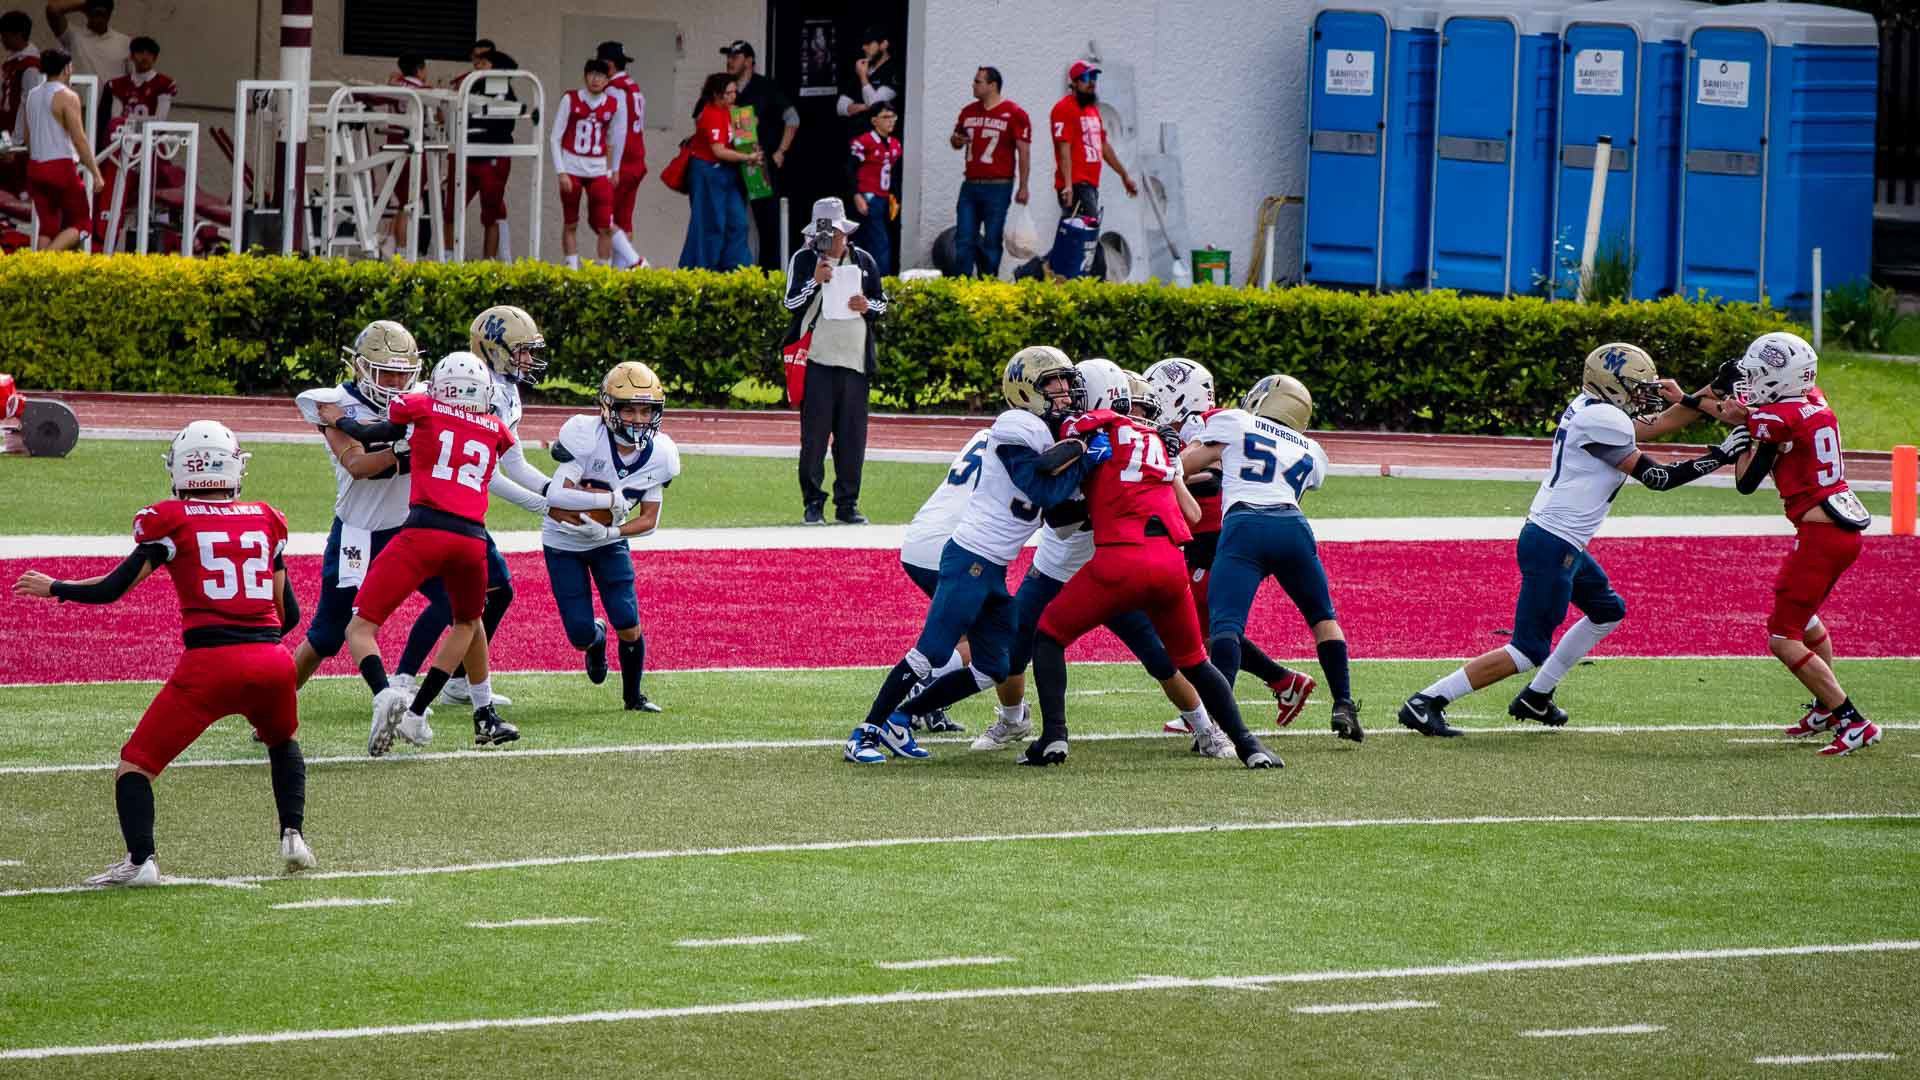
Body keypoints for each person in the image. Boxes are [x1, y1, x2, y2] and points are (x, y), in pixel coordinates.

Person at [12, 420, 312, 886]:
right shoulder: (266, 518)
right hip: (273, 660)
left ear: (182, 470)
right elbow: (287, 613)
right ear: (232, 467)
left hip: (210, 665)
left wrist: (57, 588)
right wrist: (258, 643)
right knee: (283, 743)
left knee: (135, 764)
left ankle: (141, 861)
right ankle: (293, 837)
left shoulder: (171, 518)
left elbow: (113, 589)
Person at [1395, 344, 1750, 737]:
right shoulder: (1604, 419)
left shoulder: (1592, 406)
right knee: (1527, 649)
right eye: (1636, 387)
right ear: (1612, 385)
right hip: (1554, 543)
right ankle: (1426, 701)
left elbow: (1659, 424)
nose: (1643, 395)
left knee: (1607, 610)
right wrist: (1720, 456)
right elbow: (1658, 478)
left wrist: (1711, 390)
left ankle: (1536, 697)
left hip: (1557, 537)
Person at [892, 359, 1234, 757]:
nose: (1134, 414)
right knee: (1014, 648)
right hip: (1059, 561)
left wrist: (1167, 465)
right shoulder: (1067, 434)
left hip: (1108, 563)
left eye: (1137, 407)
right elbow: (1057, 513)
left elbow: (1178, 497)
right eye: (1128, 405)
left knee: (1156, 653)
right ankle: (1012, 719)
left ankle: (1207, 728)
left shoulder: (1129, 439)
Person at [845, 347, 1099, 765]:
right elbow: (1042, 489)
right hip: (969, 558)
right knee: (931, 651)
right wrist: (1085, 456)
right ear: (1025, 390)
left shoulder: (1053, 436)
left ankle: (900, 719)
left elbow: (1061, 515)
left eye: (1066, 382)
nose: (1064, 391)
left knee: (995, 665)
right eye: (1053, 383)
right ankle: (865, 732)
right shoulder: (1016, 424)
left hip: (993, 569)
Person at [1028, 375, 1278, 770]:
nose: (1068, 401)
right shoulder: (1159, 440)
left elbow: (1048, 467)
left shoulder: (1091, 427)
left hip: (1120, 559)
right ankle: (1249, 745)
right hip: (1171, 563)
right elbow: (1188, 513)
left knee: (1048, 635)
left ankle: (1053, 737)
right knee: (1195, 661)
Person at [327, 353, 517, 755]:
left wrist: (337, 420)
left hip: (424, 530)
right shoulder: (497, 428)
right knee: (467, 624)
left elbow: (374, 432)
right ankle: (426, 713)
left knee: (360, 628)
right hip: (472, 540)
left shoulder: (422, 405)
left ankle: (385, 694)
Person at [1179, 374, 1361, 742]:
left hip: (1244, 525)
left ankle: (1217, 722)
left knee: (1225, 626)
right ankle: (1343, 703)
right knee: (1323, 618)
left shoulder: (1236, 421)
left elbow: (1182, 466)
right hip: (1293, 527)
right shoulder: (1313, 450)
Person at [1145, 357, 1318, 734]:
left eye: (1160, 395)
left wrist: (1167, 480)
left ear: (1182, 396)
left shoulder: (1214, 422)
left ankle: (1217, 710)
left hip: (1221, 535)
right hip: (1204, 536)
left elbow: (1213, 478)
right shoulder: (1196, 425)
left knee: (1197, 627)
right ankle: (1282, 682)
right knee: (1205, 629)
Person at [1728, 331, 1880, 756]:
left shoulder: (1778, 418)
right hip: (1838, 532)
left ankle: (1853, 720)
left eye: (1758, 374)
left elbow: (1747, 447)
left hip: (1821, 536)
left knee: (1782, 637)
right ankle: (1825, 709)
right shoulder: (1813, 398)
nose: (1751, 382)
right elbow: (1765, 416)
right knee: (1806, 619)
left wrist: (1726, 417)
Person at [294, 321, 454, 709]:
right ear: (361, 367)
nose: (396, 383)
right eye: (386, 373)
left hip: (411, 528)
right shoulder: (333, 403)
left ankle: (472, 702)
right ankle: (272, 706)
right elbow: (358, 466)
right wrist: (406, 450)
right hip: (359, 531)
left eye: (403, 374)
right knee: (327, 635)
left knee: (460, 604)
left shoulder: (424, 398)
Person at [542, 361, 682, 712]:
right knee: (579, 634)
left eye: (646, 411)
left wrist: (610, 530)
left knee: (628, 621)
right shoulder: (586, 437)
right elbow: (556, 496)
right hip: (564, 541)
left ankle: (634, 697)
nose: (638, 419)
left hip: (609, 543)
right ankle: (596, 638)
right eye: (629, 410)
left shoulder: (661, 454)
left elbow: (649, 520)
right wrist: (606, 501)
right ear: (608, 408)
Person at [782, 196, 887, 525]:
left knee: (852, 438)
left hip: (855, 361)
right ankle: (813, 502)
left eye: (834, 234)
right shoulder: (804, 259)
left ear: (845, 233)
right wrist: (814, 281)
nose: (828, 240)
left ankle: (847, 504)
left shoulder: (864, 260)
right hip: (817, 361)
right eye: (822, 234)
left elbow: (882, 303)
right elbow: (790, 303)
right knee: (813, 439)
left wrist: (866, 305)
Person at [898, 423, 991, 732]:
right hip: (950, 547)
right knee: (994, 638)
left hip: (920, 538)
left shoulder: (986, 434)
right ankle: (922, 686)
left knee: (960, 632)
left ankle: (930, 706)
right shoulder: (1026, 442)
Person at [1046, 60, 1137, 279]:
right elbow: (1064, 148)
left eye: (1094, 78)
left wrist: (1124, 175)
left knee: (1074, 240)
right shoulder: (1064, 109)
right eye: (1087, 78)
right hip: (1076, 185)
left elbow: (1103, 146)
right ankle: (1097, 281)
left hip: (1090, 185)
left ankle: (1039, 272)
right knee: (1087, 240)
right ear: (1075, 82)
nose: (1092, 83)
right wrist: (1068, 185)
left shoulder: (1092, 111)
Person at [725, 40, 799, 271]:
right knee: (731, 220)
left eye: (735, 57)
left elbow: (793, 118)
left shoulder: (765, 87)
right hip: (729, 162)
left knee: (767, 223)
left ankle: (769, 274)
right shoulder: (724, 86)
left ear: (749, 61)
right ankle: (730, 273)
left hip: (758, 164)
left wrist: (781, 151)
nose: (729, 61)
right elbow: (700, 115)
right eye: (728, 56)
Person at [20, 48, 104, 252]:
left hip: (35, 167)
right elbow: (79, 139)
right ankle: (48, 259)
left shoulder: (32, 95)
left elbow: (27, 138)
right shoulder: (67, 96)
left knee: (48, 228)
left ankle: (36, 267)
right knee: (83, 224)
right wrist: (96, 173)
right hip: (61, 167)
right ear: (67, 68)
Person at [950, 65, 1030, 278]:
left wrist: (1023, 186)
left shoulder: (1014, 113)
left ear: (992, 85)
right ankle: (962, 284)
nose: (973, 85)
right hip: (970, 184)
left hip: (998, 186)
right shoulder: (968, 111)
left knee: (992, 240)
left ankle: (987, 284)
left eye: (978, 81)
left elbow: (1023, 151)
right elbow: (956, 140)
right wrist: (956, 140)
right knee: (964, 236)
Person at [550, 57, 626, 270]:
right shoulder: (570, 99)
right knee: (571, 222)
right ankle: (572, 271)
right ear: (584, 76)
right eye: (591, 74)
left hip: (598, 170)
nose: (595, 79)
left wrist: (613, 170)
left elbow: (614, 140)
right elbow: (555, 137)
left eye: (600, 75)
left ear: (607, 80)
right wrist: (561, 172)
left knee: (605, 225)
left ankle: (602, 273)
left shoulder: (613, 104)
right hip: (572, 167)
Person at [678, 71, 756, 270]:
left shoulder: (735, 112)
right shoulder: (711, 114)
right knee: (711, 224)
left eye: (734, 92)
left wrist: (749, 127)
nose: (733, 97)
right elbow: (719, 151)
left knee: (738, 222)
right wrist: (747, 158)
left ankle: (736, 269)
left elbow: (745, 142)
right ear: (716, 95)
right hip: (708, 172)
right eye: (728, 94)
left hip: (728, 173)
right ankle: (703, 270)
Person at [459, 49, 518, 261]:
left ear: (495, 66)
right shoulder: (473, 84)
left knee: (491, 215)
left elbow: (502, 123)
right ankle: (448, 257)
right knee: (451, 209)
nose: (478, 66)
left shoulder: (502, 89)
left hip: (492, 156)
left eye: (483, 62)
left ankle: (490, 263)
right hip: (469, 154)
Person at [596, 41, 648, 270]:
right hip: (636, 159)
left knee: (602, 218)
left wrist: (612, 168)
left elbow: (617, 131)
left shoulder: (613, 90)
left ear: (608, 64)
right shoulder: (633, 87)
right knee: (623, 220)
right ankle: (619, 273)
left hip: (622, 161)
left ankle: (636, 262)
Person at [847, 99, 900, 274]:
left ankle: (864, 276)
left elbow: (893, 174)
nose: (890, 121)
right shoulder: (864, 142)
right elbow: (850, 169)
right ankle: (880, 280)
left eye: (893, 117)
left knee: (873, 239)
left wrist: (894, 197)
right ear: (874, 121)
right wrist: (856, 195)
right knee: (878, 241)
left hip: (884, 197)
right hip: (868, 196)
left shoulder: (894, 143)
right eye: (885, 117)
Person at [104, 35, 172, 137]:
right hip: (125, 140)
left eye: (149, 53)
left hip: (153, 140)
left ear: (155, 58)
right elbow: (116, 119)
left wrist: (128, 118)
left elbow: (159, 120)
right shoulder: (119, 84)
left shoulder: (164, 84)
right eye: (140, 52)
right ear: (131, 56)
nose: (145, 57)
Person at [836, 25, 898, 134]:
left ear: (884, 44)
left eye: (869, 43)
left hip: (879, 138)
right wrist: (865, 107)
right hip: (857, 135)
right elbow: (840, 107)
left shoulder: (893, 70)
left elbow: (875, 106)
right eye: (864, 44)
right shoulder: (864, 67)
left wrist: (863, 78)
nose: (864, 48)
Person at [1, 9, 43, 145]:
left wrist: (15, 141)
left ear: (18, 35)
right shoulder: (12, 61)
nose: (2, 40)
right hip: (6, 128)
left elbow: (28, 105)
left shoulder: (31, 67)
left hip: (17, 135)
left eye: (5, 35)